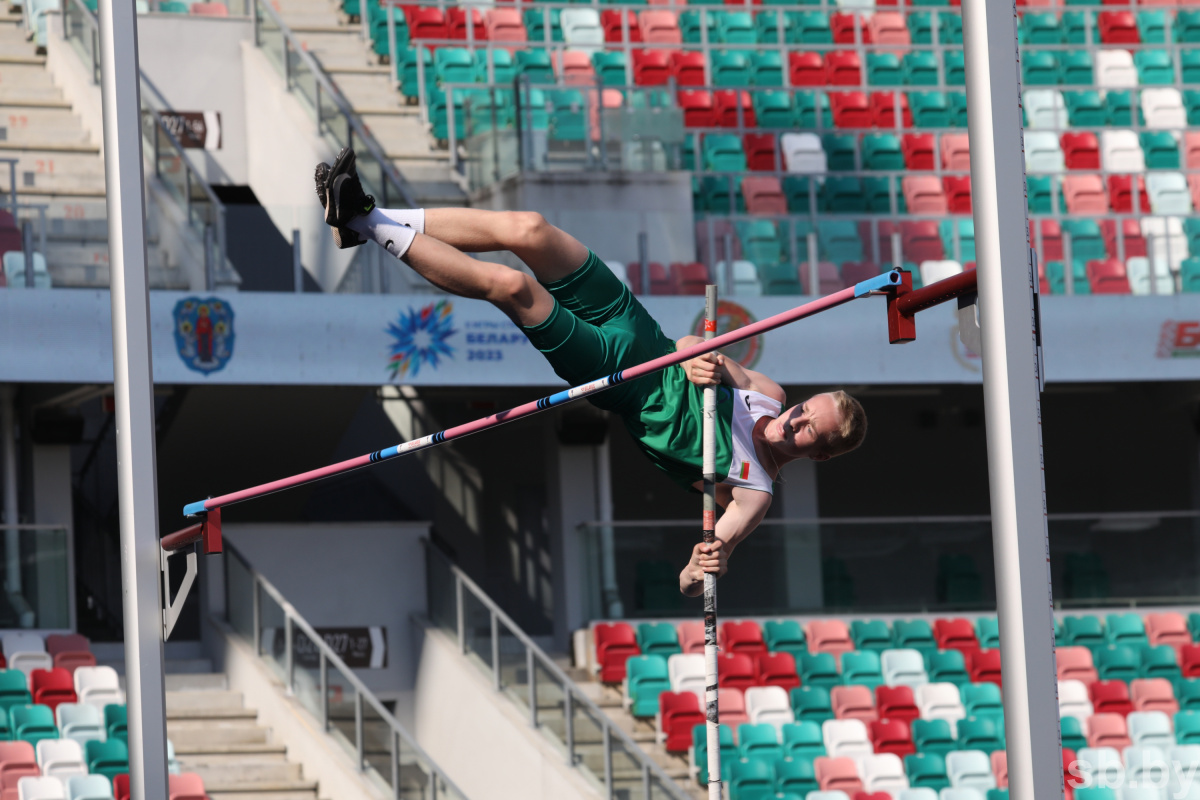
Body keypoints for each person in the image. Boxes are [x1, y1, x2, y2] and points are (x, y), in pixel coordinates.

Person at [315, 149, 868, 597]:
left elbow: (706, 557)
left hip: (621, 377)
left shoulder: (754, 492)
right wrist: (704, 356)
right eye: (802, 411)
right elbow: (691, 345)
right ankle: (361, 217)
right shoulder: (769, 395)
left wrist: (700, 564)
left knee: (513, 289)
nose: (790, 421)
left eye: (804, 431)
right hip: (638, 327)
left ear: (817, 454)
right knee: (529, 229)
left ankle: (361, 217)